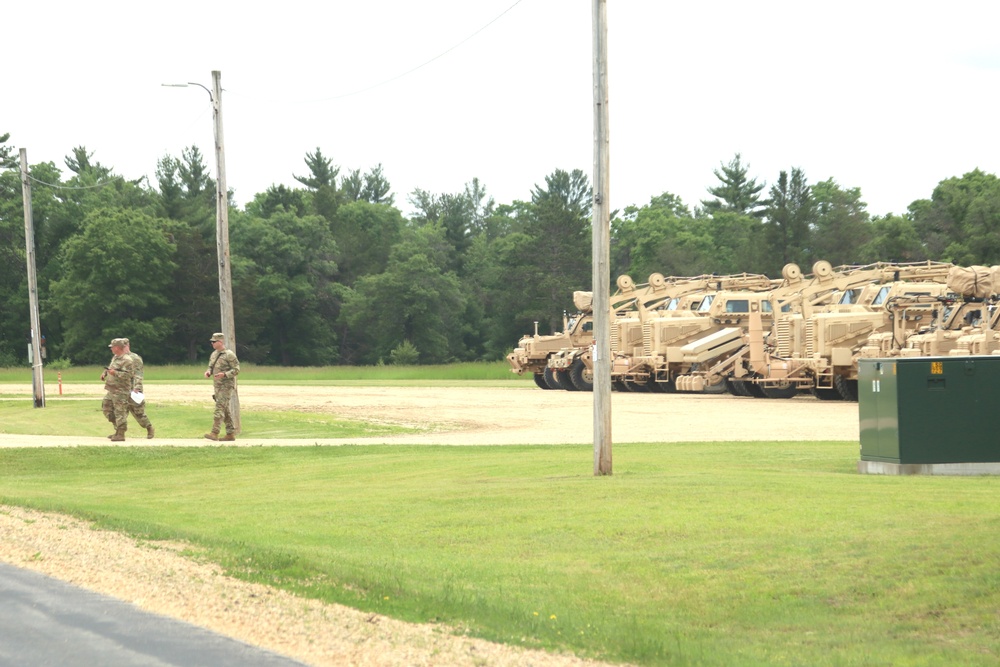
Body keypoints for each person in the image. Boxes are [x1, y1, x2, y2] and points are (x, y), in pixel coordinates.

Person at [204, 332, 240, 441]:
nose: (212, 344)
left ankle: (214, 432)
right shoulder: (214, 354)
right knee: (224, 409)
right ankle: (230, 433)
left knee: (219, 408)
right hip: (217, 386)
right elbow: (210, 366)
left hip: (226, 385)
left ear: (220, 342)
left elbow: (237, 369)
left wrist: (225, 374)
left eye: (214, 342)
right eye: (211, 342)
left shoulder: (229, 354)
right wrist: (208, 372)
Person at [100, 338, 134, 442]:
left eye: (112, 347)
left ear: (117, 347)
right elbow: (111, 367)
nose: (111, 349)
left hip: (121, 390)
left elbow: (129, 375)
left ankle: (121, 433)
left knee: (120, 412)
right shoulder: (115, 357)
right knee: (106, 408)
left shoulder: (127, 360)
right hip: (111, 388)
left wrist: (115, 373)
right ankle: (117, 429)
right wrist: (105, 373)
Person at [122, 338, 154, 439]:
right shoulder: (118, 357)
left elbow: (138, 374)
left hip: (133, 388)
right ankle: (119, 432)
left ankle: (149, 428)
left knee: (138, 411)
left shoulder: (134, 358)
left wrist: (137, 387)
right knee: (119, 411)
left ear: (127, 346)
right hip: (121, 388)